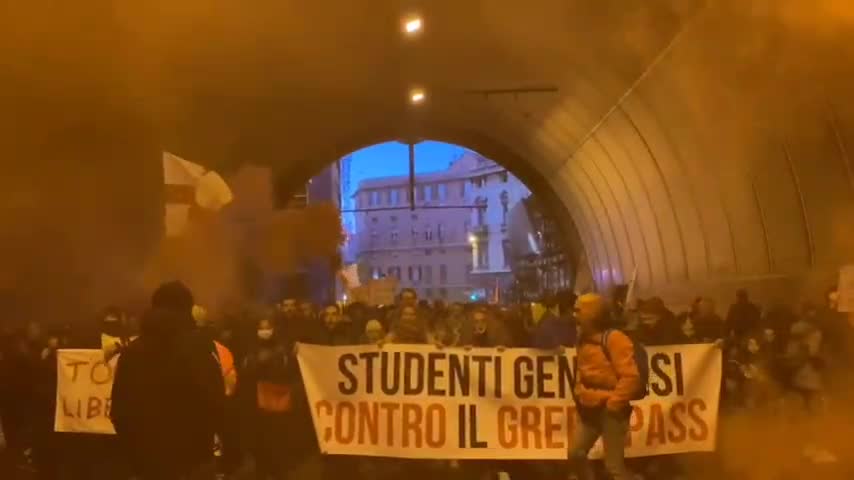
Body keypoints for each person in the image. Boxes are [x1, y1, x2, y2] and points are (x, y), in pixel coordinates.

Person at [111, 281, 226, 480]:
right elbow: (214, 401)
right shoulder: (198, 348)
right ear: (187, 309)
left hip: (147, 463)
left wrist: (136, 456)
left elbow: (120, 410)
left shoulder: (132, 352)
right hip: (193, 462)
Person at [568, 293, 640, 480]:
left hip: (611, 412)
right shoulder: (583, 338)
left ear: (592, 314)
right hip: (589, 408)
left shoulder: (615, 339)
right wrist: (580, 391)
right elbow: (581, 370)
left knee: (613, 467)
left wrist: (613, 404)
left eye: (578, 310)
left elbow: (631, 377)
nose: (573, 314)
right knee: (575, 453)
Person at [242, 317, 298, 480]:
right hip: (256, 405)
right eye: (261, 328)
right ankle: (262, 469)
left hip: (277, 402)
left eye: (268, 328)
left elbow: (289, 372)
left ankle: (278, 470)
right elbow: (246, 372)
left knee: (277, 439)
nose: (265, 331)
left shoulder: (283, 349)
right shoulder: (250, 349)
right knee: (260, 440)